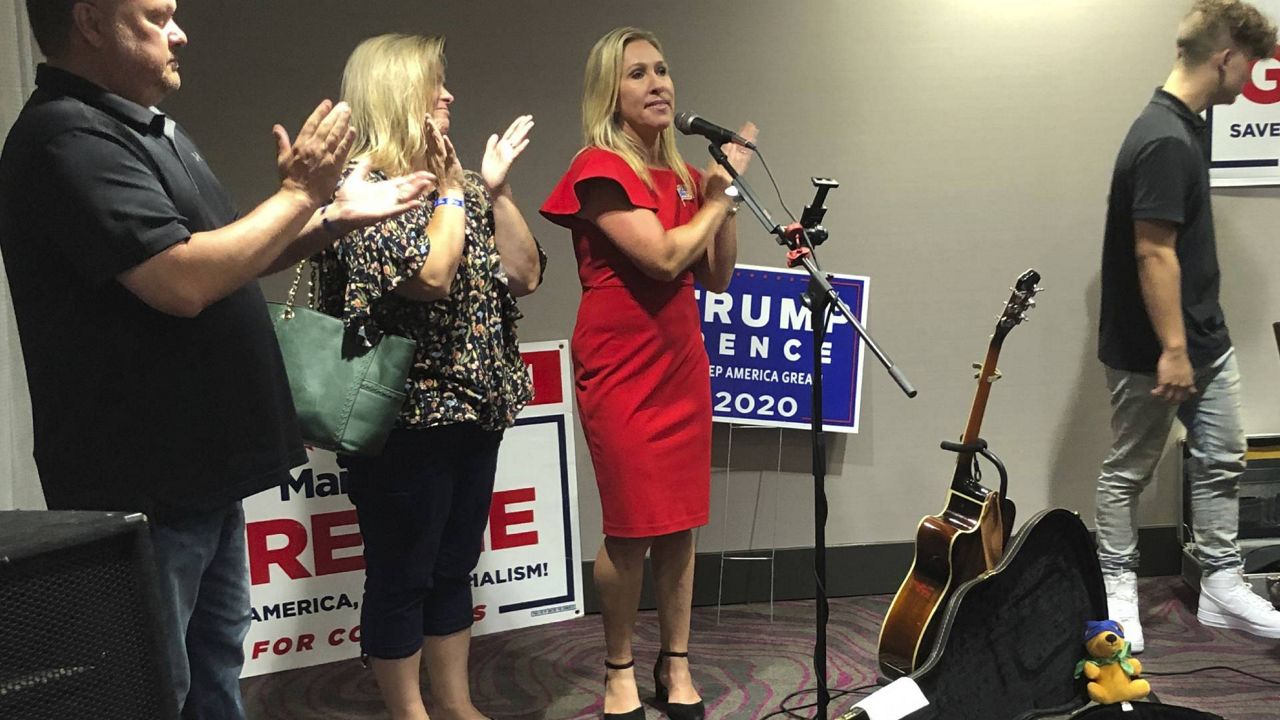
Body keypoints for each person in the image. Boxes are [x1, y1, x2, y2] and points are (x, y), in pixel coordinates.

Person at [0, 1, 432, 717]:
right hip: (142, 482)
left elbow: (227, 256)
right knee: (153, 687)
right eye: (155, 16)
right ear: (90, 21)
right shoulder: (63, 136)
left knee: (213, 668)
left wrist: (328, 219)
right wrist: (299, 193)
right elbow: (181, 282)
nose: (179, 33)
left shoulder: (139, 127)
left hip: (197, 471)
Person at [316, 33, 544, 720]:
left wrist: (493, 193)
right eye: (433, 84)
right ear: (396, 95)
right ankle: (408, 713)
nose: (448, 96)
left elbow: (526, 274)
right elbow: (434, 278)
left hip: (475, 410)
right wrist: (451, 195)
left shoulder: (463, 187)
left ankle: (456, 704)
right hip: (403, 421)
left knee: (453, 566)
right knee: (401, 573)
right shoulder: (361, 190)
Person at [541, 27, 755, 720]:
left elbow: (716, 276)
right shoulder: (596, 168)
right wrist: (720, 200)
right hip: (620, 364)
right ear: (612, 91)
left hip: (680, 363)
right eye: (638, 74)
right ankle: (619, 666)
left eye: (663, 71)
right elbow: (663, 259)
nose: (658, 84)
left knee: (682, 522)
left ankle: (678, 661)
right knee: (630, 526)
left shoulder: (689, 178)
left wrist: (721, 191)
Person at [1096, 0, 1280, 653]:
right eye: (1254, 65)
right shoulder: (1164, 139)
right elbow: (1153, 252)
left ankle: (1223, 586)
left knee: (1222, 458)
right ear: (1226, 58)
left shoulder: (1187, 125)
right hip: (1157, 351)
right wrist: (1173, 349)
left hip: (1206, 338)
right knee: (1129, 470)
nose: (1254, 80)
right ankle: (1117, 585)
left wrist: (1196, 340)